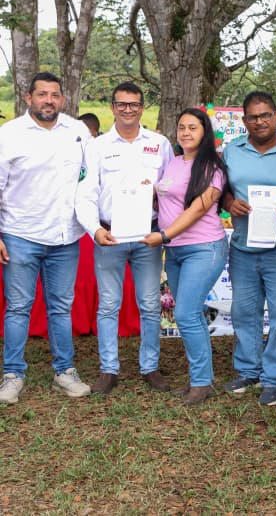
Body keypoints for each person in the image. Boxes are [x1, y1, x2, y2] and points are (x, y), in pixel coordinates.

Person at [75, 82, 174, 395]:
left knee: (148, 303)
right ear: (113, 107)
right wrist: (94, 229)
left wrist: (163, 223)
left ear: (142, 107)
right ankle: (109, 369)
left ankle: (150, 367)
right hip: (110, 236)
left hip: (147, 237)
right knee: (108, 305)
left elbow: (171, 189)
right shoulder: (98, 146)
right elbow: (86, 193)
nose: (128, 109)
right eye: (122, 104)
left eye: (134, 104)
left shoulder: (159, 144)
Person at [0, 71, 92, 404]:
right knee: (18, 308)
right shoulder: (9, 135)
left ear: (63, 100)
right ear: (28, 98)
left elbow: (90, 179)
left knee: (61, 308)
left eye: (54, 95)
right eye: (42, 94)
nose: (48, 101)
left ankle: (64, 372)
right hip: (20, 235)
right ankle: (12, 375)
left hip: (65, 237)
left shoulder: (78, 132)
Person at [143, 108, 228, 406]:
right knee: (191, 313)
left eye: (193, 127)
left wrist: (164, 235)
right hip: (175, 251)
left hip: (204, 248)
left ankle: (202, 383)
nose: (186, 132)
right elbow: (162, 198)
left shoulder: (213, 168)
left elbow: (196, 210)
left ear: (205, 132)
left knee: (186, 314)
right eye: (181, 127)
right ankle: (200, 378)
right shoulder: (174, 163)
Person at [221, 91, 276, 406]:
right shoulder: (232, 150)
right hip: (242, 246)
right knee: (244, 311)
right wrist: (229, 203)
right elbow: (220, 190)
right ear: (244, 121)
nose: (260, 121)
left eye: (266, 114)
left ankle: (274, 378)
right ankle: (249, 370)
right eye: (253, 116)